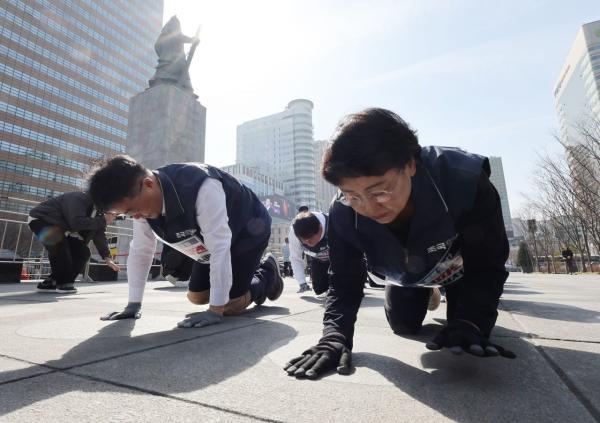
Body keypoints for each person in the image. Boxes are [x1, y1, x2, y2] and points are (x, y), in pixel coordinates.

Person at [284, 108, 515, 380]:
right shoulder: (343, 211)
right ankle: (428, 291)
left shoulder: (464, 181)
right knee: (403, 324)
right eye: (353, 195)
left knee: (466, 332)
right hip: (405, 271)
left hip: (460, 268)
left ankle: (449, 295)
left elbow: (488, 262)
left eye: (380, 191)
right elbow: (344, 279)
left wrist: (471, 319)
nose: (368, 207)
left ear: (410, 164)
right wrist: (335, 335)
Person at [88, 155, 283, 328]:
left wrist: (215, 310)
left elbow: (220, 247)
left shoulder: (202, 186)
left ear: (148, 184)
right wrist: (133, 305)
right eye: (128, 215)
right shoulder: (140, 207)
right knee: (196, 297)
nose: (137, 217)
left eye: (133, 211)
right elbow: (141, 250)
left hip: (248, 230)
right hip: (209, 241)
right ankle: (235, 289)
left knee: (230, 304)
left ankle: (267, 274)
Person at [28, 191, 119, 294]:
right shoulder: (78, 198)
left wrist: (107, 257)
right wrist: (103, 220)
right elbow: (76, 222)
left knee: (83, 252)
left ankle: (51, 282)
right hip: (41, 220)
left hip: (62, 228)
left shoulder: (99, 212)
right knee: (61, 248)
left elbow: (99, 234)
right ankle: (63, 283)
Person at [289, 211, 330, 295]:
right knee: (319, 289)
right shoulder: (294, 233)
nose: (309, 244)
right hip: (318, 258)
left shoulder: (333, 222)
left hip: (339, 257)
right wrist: (302, 282)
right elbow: (295, 258)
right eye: (305, 241)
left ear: (320, 228)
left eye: (311, 240)